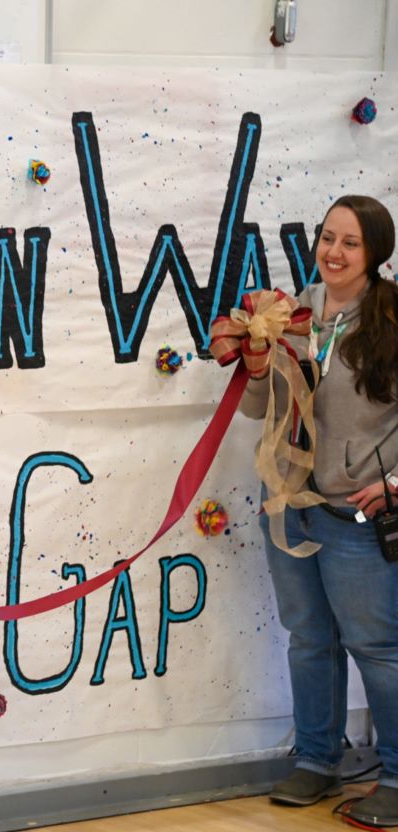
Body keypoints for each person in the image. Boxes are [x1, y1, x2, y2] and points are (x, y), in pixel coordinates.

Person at [240, 195, 398, 827]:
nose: (333, 252)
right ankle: (316, 760)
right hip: (286, 502)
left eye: (350, 243)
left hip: (354, 513)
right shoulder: (286, 314)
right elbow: (257, 410)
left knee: (377, 645)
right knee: (309, 640)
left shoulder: (391, 319)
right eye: (328, 237)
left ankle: (395, 772)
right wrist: (257, 364)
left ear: (375, 254)